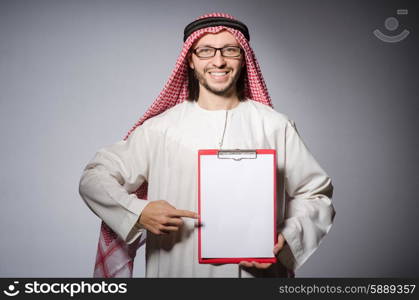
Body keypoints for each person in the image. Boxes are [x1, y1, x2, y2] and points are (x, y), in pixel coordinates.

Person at [79, 12, 335, 278]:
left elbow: (316, 195)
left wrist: (286, 238)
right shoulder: (160, 130)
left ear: (243, 57)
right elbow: (94, 177)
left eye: (230, 50)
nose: (219, 60)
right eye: (206, 51)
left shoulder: (274, 126)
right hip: (177, 272)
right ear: (190, 60)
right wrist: (138, 211)